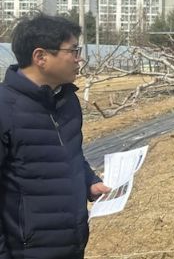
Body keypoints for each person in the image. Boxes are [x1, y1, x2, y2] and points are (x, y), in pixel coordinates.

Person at [0, 14, 110, 259]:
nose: (79, 59)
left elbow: (70, 154)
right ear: (40, 57)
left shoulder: (67, 101)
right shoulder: (5, 108)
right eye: (73, 51)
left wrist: (89, 181)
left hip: (71, 246)